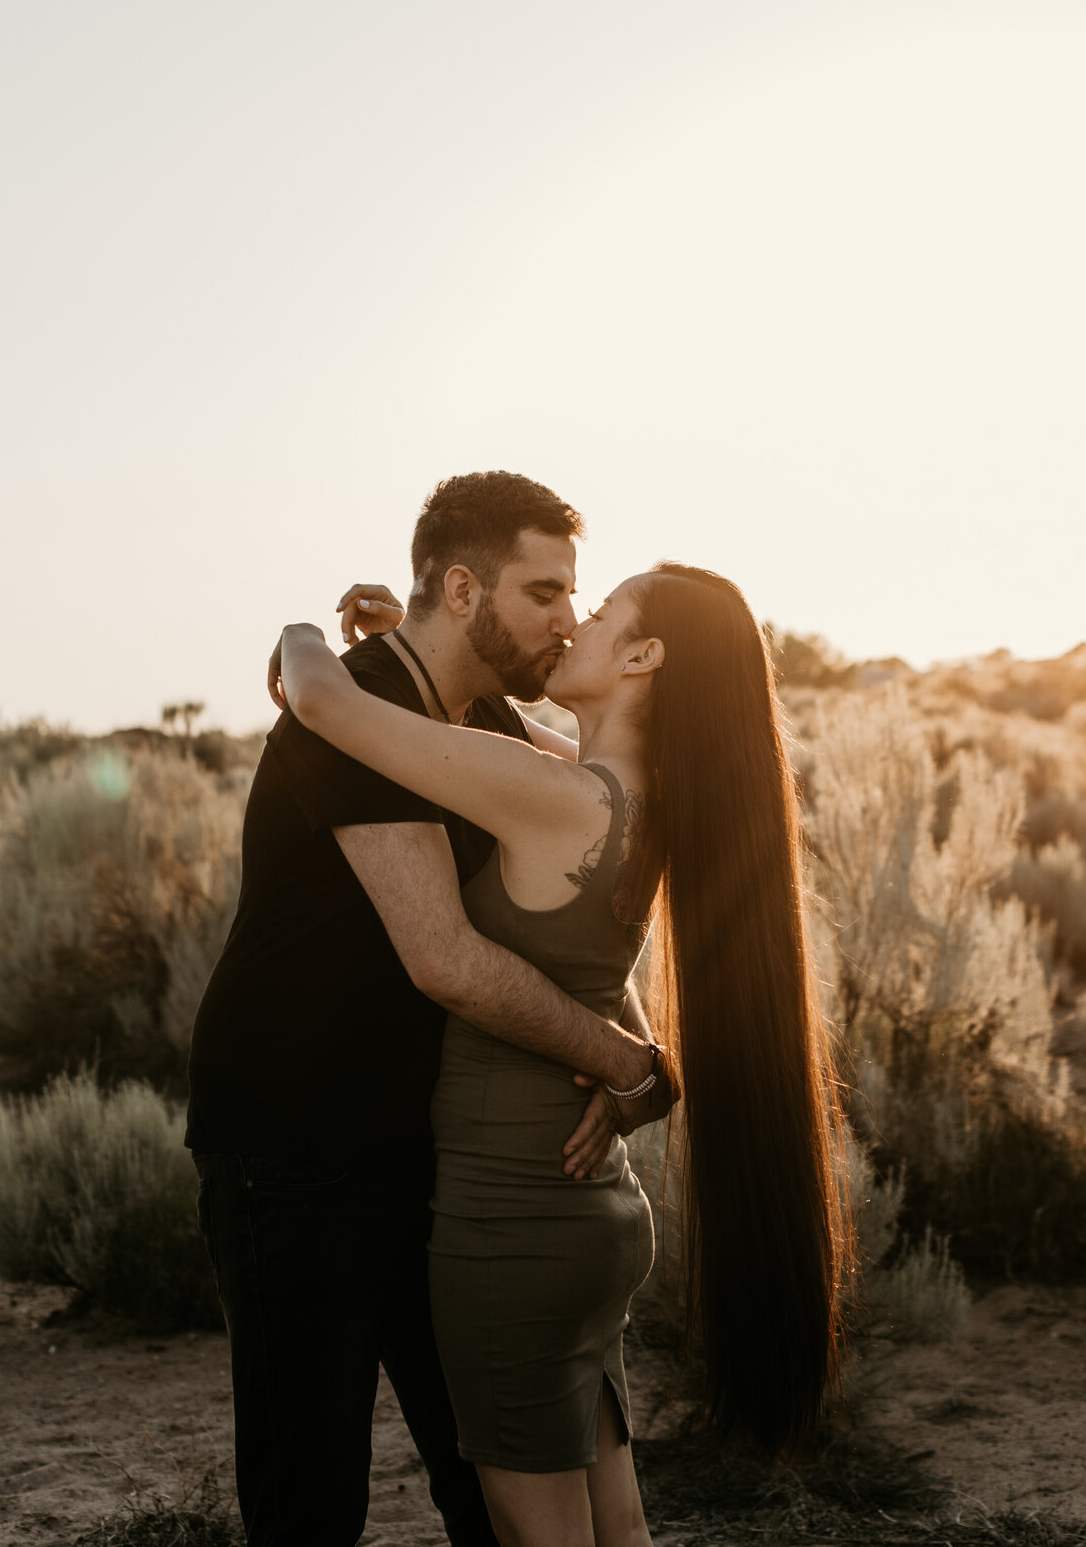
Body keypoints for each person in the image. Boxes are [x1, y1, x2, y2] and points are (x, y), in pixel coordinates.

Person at [278, 561, 849, 1547]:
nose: (568, 626)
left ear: (642, 654)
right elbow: (496, 734)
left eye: (595, 612)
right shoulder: (641, 793)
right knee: (615, 1533)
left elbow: (324, 703)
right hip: (590, 1216)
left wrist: (301, 634)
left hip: (514, 1218)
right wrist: (412, 645)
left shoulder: (558, 797)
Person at [185, 472, 671, 1547]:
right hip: (294, 1142)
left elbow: (568, 915)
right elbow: (447, 960)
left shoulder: (471, 713)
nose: (566, 619)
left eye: (575, 596)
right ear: (463, 589)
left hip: (431, 1147)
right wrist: (629, 1062)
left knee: (487, 1475)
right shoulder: (361, 715)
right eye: (544, 592)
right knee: (312, 1490)